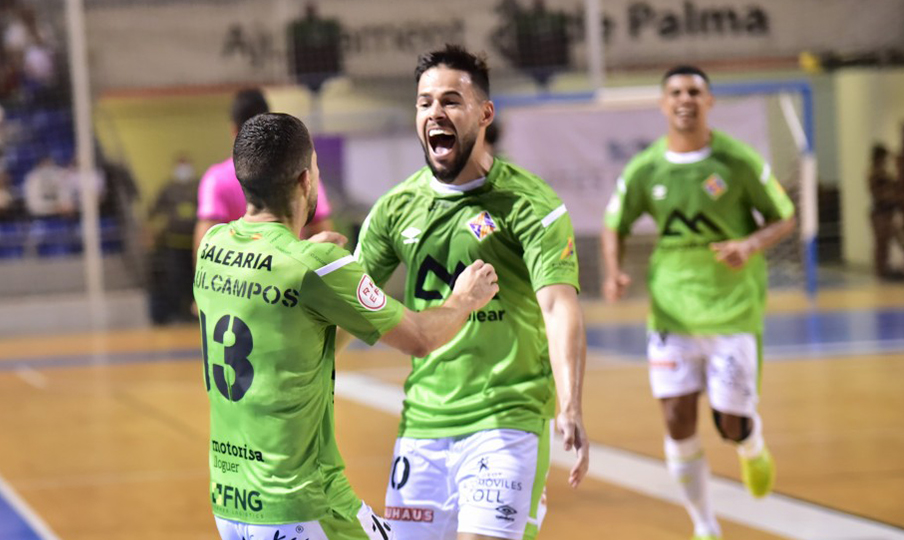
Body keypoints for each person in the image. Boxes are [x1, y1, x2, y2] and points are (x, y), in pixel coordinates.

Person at [194, 112, 500, 540]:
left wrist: (321, 271)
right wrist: (465, 298)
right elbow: (421, 338)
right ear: (305, 180)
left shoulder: (212, 246)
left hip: (231, 506)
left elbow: (281, 296)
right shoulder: (316, 267)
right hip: (306, 505)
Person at [353, 45, 588, 540]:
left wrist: (569, 404)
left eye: (451, 101)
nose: (435, 112)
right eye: (424, 102)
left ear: (485, 113)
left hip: (508, 419)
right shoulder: (395, 209)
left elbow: (558, 304)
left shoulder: (529, 204)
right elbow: (348, 306)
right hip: (423, 427)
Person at [601, 65, 795, 540]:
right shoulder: (645, 168)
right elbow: (614, 224)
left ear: (709, 102)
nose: (684, 99)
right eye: (675, 92)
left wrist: (749, 245)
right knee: (676, 419)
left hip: (731, 309)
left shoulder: (737, 161)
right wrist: (613, 270)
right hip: (670, 311)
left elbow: (783, 216)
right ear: (663, 104)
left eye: (694, 91)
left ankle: (751, 447)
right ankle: (705, 524)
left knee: (731, 424)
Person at [193, 87, 333, 258]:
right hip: (293, 276)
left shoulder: (216, 179)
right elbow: (323, 232)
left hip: (239, 278)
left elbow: (204, 247)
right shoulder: (298, 169)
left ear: (233, 130)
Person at [147, 155, 200, 324]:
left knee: (195, 279)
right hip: (174, 243)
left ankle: (195, 312)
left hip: (195, 243)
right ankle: (178, 313)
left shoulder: (199, 186)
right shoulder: (168, 189)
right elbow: (154, 212)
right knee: (176, 279)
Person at [868, 143, 904, 280]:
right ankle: (881, 273)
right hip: (880, 213)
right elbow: (881, 194)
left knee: (891, 242)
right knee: (881, 244)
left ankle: (887, 269)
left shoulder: (884, 173)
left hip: (888, 211)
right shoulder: (875, 173)